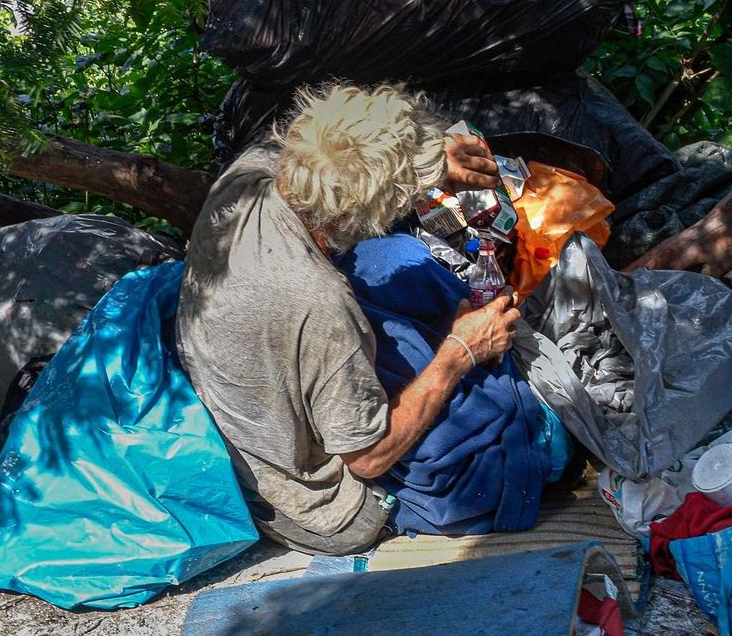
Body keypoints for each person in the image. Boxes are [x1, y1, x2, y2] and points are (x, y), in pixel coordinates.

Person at [176, 84, 519, 555]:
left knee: (396, 258)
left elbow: (343, 143)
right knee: (496, 444)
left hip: (254, 376)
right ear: (348, 216)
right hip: (321, 504)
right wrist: (459, 355)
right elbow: (368, 458)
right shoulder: (320, 304)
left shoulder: (249, 174)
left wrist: (436, 160)